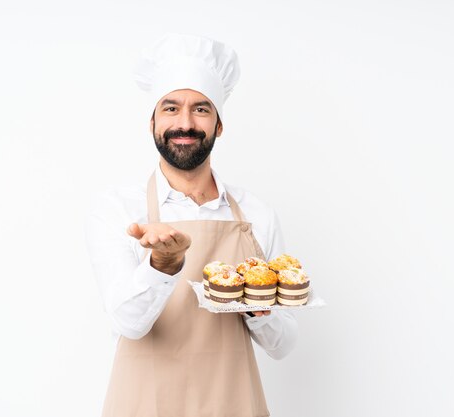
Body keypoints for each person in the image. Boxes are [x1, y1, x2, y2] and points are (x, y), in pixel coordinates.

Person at [85, 33, 299, 417]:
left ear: (219, 125)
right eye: (171, 108)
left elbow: (284, 344)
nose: (185, 123)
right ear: (152, 121)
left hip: (231, 403)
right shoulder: (118, 209)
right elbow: (128, 323)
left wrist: (257, 304)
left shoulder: (257, 214)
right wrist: (162, 266)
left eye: (201, 109)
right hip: (143, 405)